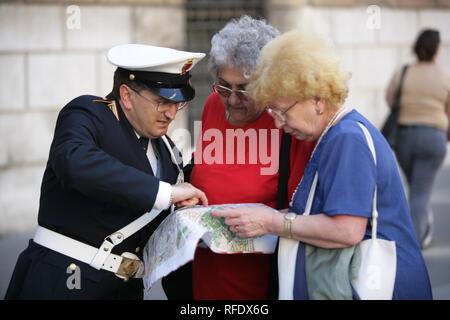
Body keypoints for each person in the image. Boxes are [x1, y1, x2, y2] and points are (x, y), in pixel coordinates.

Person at [214, 29, 433, 299]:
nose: (278, 123)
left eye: (283, 112)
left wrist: (272, 221)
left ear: (317, 99)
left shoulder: (347, 139)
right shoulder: (336, 134)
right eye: (272, 112)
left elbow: (346, 230)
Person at [5, 44, 208, 300]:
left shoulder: (167, 149)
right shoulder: (88, 113)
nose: (170, 113)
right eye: (162, 102)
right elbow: (74, 161)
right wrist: (165, 193)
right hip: (64, 280)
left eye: (177, 104)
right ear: (126, 95)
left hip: (123, 290)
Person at [178, 16, 314, 300]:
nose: (233, 99)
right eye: (225, 85)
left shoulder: (289, 122)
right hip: (208, 273)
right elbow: (208, 172)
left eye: (245, 89)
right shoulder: (214, 104)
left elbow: (305, 212)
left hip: (263, 280)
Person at [385, 29, 450, 249]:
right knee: (421, 191)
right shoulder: (444, 76)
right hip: (433, 138)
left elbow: (390, 98)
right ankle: (414, 240)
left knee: (416, 187)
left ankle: (420, 227)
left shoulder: (404, 72)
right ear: (437, 48)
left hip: (405, 138)